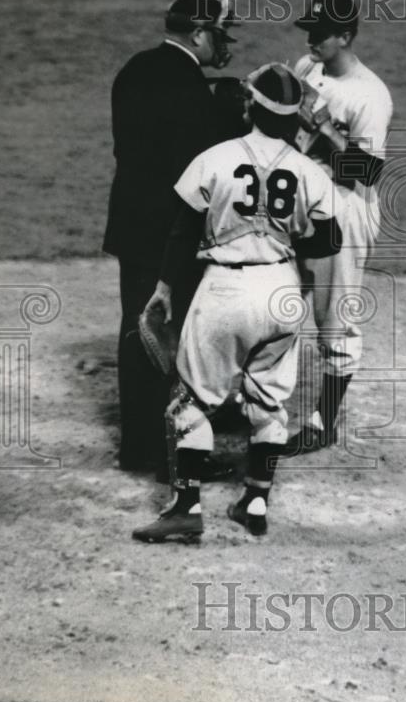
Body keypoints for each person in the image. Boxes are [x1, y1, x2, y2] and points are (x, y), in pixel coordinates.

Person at [132, 64, 341, 543]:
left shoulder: (216, 158)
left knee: (190, 400)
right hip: (283, 293)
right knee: (269, 399)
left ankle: (185, 508)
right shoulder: (308, 170)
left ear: (251, 107)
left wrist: (164, 289)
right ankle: (256, 500)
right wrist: (285, 240)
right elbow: (330, 240)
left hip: (225, 291)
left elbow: (182, 232)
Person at [103, 0, 242, 473]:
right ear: (198, 33)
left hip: (132, 225)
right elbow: (203, 166)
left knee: (139, 329)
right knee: (177, 336)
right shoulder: (191, 90)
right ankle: (168, 452)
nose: (223, 44)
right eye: (219, 34)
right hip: (171, 234)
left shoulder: (135, 68)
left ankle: (140, 444)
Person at [284, 0, 393, 453]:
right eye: (309, 30)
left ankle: (323, 422)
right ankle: (253, 398)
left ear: (345, 36)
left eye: (322, 33)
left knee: (334, 322)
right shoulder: (305, 67)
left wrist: (325, 128)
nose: (311, 39)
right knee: (275, 303)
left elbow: (367, 171)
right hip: (300, 203)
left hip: (346, 211)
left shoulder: (370, 95)